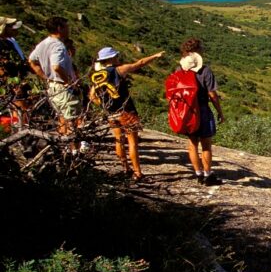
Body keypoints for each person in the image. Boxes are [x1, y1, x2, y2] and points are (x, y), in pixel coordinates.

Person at [90, 46, 165, 180]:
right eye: (116, 56)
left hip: (111, 112)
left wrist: (104, 106)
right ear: (111, 58)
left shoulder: (97, 76)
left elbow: (92, 96)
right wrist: (155, 56)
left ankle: (126, 168)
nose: (118, 58)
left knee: (119, 140)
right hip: (126, 111)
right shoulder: (118, 70)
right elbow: (140, 63)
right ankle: (138, 172)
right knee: (132, 142)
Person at [28, 16, 85, 151]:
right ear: (59, 28)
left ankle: (65, 149)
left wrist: (45, 78)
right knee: (72, 121)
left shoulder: (43, 44)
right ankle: (74, 153)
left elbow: (32, 61)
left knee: (62, 118)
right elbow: (56, 66)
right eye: (66, 27)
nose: (68, 29)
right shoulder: (58, 45)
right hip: (63, 87)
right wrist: (70, 82)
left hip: (52, 87)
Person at [178, 38, 224, 185]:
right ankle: (208, 175)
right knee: (206, 145)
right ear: (197, 52)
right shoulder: (205, 71)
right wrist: (220, 112)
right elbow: (212, 94)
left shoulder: (179, 70)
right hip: (203, 110)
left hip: (187, 111)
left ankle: (198, 174)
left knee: (192, 144)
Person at [0, 16, 31, 126]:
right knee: (18, 107)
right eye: (9, 26)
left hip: (16, 81)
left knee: (21, 108)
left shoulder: (8, 43)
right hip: (8, 83)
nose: (13, 28)